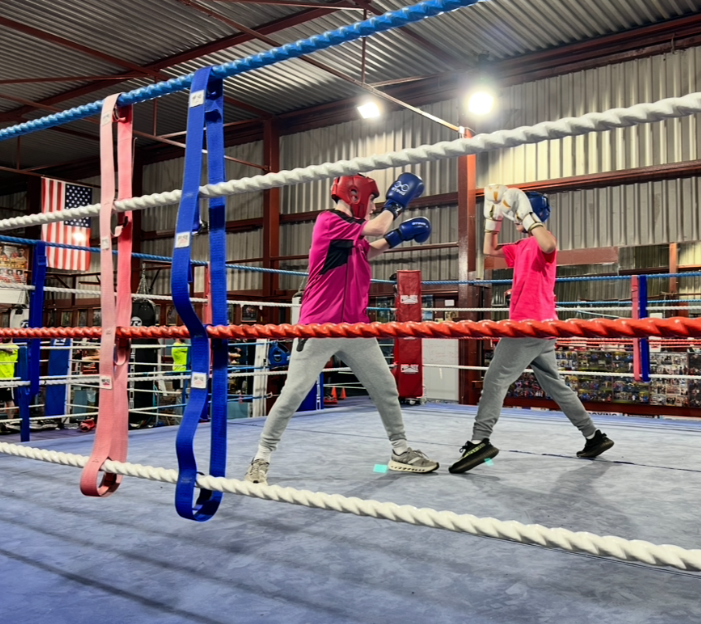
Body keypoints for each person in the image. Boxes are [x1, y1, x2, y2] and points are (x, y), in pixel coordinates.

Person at [244, 172, 437, 482]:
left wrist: (399, 235)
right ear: (355, 195)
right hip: (318, 327)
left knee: (386, 388)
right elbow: (374, 227)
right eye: (372, 200)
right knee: (293, 393)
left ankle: (400, 452)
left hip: (355, 328)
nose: (374, 207)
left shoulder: (352, 237)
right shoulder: (328, 221)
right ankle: (260, 459)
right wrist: (396, 203)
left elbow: (367, 249)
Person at [449, 186, 614, 474]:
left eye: (520, 212)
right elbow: (488, 250)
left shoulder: (543, 242)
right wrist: (493, 220)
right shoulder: (522, 246)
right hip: (541, 327)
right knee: (556, 386)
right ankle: (594, 436)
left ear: (533, 213)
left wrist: (527, 214)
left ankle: (479, 440)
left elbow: (549, 245)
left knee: (495, 379)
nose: (516, 217)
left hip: (529, 326)